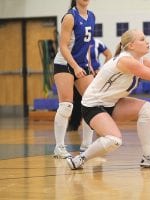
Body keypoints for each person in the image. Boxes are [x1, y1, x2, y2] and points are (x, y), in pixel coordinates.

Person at [66, 29, 150, 170]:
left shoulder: (143, 61)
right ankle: (80, 159)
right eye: (142, 39)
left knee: (146, 108)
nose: (147, 42)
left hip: (112, 103)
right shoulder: (126, 61)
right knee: (114, 140)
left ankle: (148, 156)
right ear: (131, 45)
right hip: (92, 106)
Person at [53, 0, 95, 158]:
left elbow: (88, 45)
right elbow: (63, 46)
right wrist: (75, 67)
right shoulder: (70, 17)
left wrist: (89, 65)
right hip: (65, 63)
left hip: (82, 63)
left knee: (92, 102)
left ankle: (87, 145)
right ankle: (59, 147)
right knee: (66, 106)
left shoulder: (91, 16)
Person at [67, 38, 112, 131]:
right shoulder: (77, 42)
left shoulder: (97, 42)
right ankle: (74, 124)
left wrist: (102, 70)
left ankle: (99, 124)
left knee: (95, 100)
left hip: (95, 75)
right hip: (80, 73)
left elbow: (109, 54)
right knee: (78, 99)